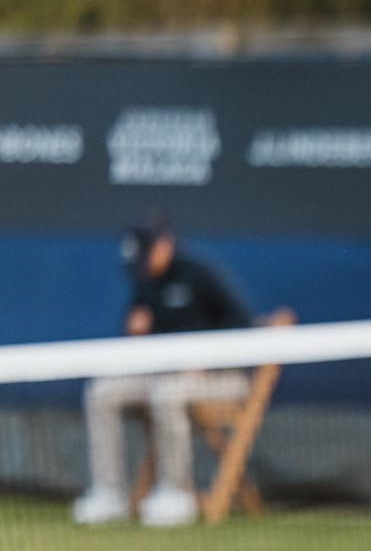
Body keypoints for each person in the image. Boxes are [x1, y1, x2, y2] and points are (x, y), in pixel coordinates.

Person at [71, 211, 253, 528]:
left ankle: (175, 492)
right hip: (162, 375)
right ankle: (109, 493)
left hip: (222, 378)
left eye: (146, 256)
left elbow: (242, 326)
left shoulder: (200, 273)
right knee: (103, 392)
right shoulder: (144, 282)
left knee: (167, 393)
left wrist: (207, 360)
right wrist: (135, 332)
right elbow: (138, 339)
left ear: (165, 244)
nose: (142, 267)